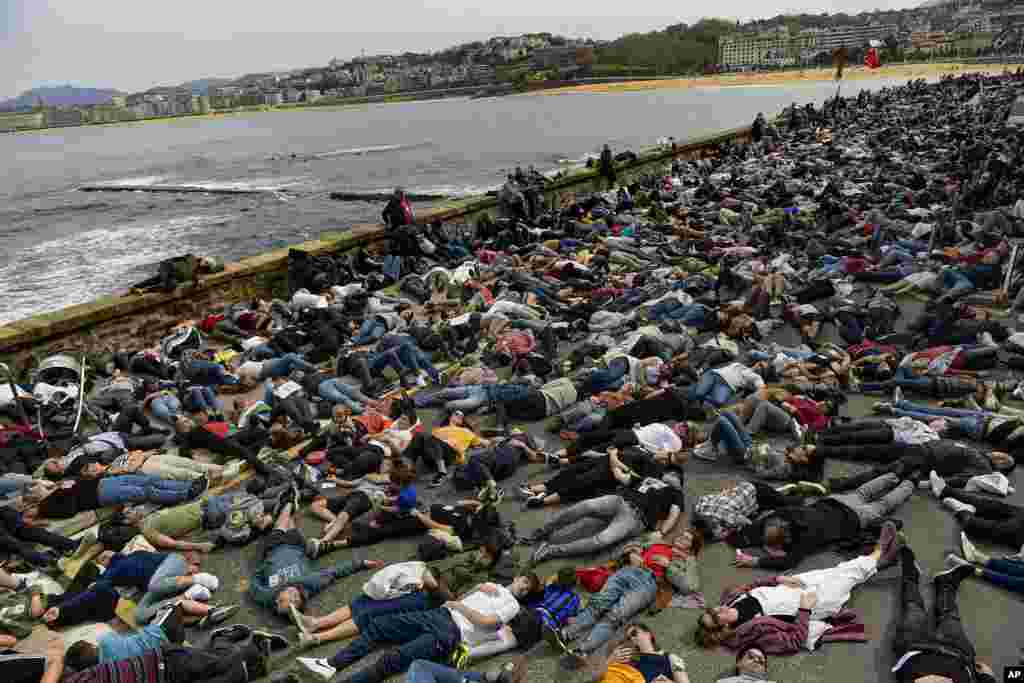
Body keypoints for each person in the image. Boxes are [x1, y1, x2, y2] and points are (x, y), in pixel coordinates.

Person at [297, 578, 528, 683]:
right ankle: (331, 664)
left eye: (527, 588)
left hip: (450, 632)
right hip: (440, 615)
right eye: (524, 581)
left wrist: (458, 604)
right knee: (379, 626)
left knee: (391, 661)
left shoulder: (513, 604)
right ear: (516, 577)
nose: (523, 587)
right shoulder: (492, 587)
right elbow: (467, 603)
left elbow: (487, 622)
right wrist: (477, 588)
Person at [695, 542, 898, 654]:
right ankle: (880, 551)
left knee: (838, 571)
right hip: (811, 603)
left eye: (711, 610)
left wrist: (777, 578)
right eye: (715, 617)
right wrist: (804, 610)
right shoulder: (752, 634)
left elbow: (752, 587)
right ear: (724, 629)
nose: (717, 610)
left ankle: (879, 560)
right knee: (847, 577)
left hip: (792, 585)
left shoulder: (730, 600)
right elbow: (793, 641)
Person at [247, 495, 380, 617]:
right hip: (296, 546)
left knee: (282, 522)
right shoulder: (309, 583)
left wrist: (264, 566)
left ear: (277, 599)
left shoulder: (266, 595)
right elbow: (334, 572)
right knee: (290, 522)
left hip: (274, 548)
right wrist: (360, 564)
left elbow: (253, 584)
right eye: (297, 600)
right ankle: (285, 506)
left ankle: (287, 502)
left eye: (290, 599)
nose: (295, 596)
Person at [731, 481, 911, 570]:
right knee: (864, 491)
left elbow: (788, 562)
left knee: (884, 504)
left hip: (855, 518)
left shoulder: (804, 539)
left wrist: (756, 561)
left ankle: (908, 484)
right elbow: (761, 525)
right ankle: (893, 475)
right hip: (836, 502)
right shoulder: (785, 514)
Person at [890, 546, 997, 683]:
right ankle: (945, 583)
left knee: (913, 609)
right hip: (956, 652)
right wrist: (988, 678)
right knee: (949, 615)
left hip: (915, 649)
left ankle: (910, 575)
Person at [528, 473, 684, 564]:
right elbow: (622, 477)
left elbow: (674, 514)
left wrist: (662, 533)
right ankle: (545, 530)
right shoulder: (648, 478)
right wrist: (612, 454)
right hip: (620, 500)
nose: (671, 475)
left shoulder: (675, 493)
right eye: (670, 472)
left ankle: (549, 551)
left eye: (676, 475)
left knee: (602, 540)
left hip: (635, 518)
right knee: (586, 506)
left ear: (678, 483)